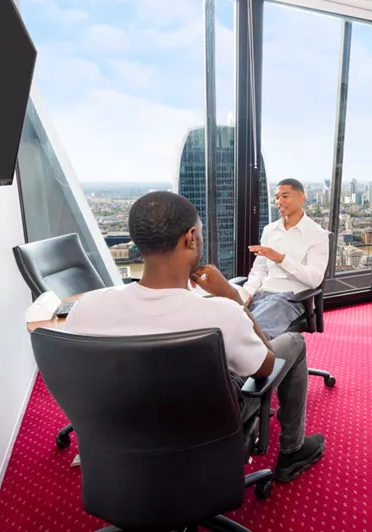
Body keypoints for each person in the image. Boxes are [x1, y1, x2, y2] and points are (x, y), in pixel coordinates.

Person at [65, 191, 325, 482]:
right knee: (294, 342)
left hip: (124, 426)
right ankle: (292, 451)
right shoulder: (222, 313)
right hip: (206, 423)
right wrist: (233, 298)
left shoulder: (86, 308)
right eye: (200, 233)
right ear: (190, 237)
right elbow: (267, 367)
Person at [236, 179, 330, 338]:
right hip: (261, 295)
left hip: (290, 299)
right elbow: (259, 269)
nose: (279, 201)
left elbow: (314, 280)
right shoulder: (269, 230)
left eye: (285, 196)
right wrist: (248, 292)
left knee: (251, 334)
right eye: (277, 197)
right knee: (229, 321)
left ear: (301, 197)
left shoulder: (317, 234)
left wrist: (281, 259)